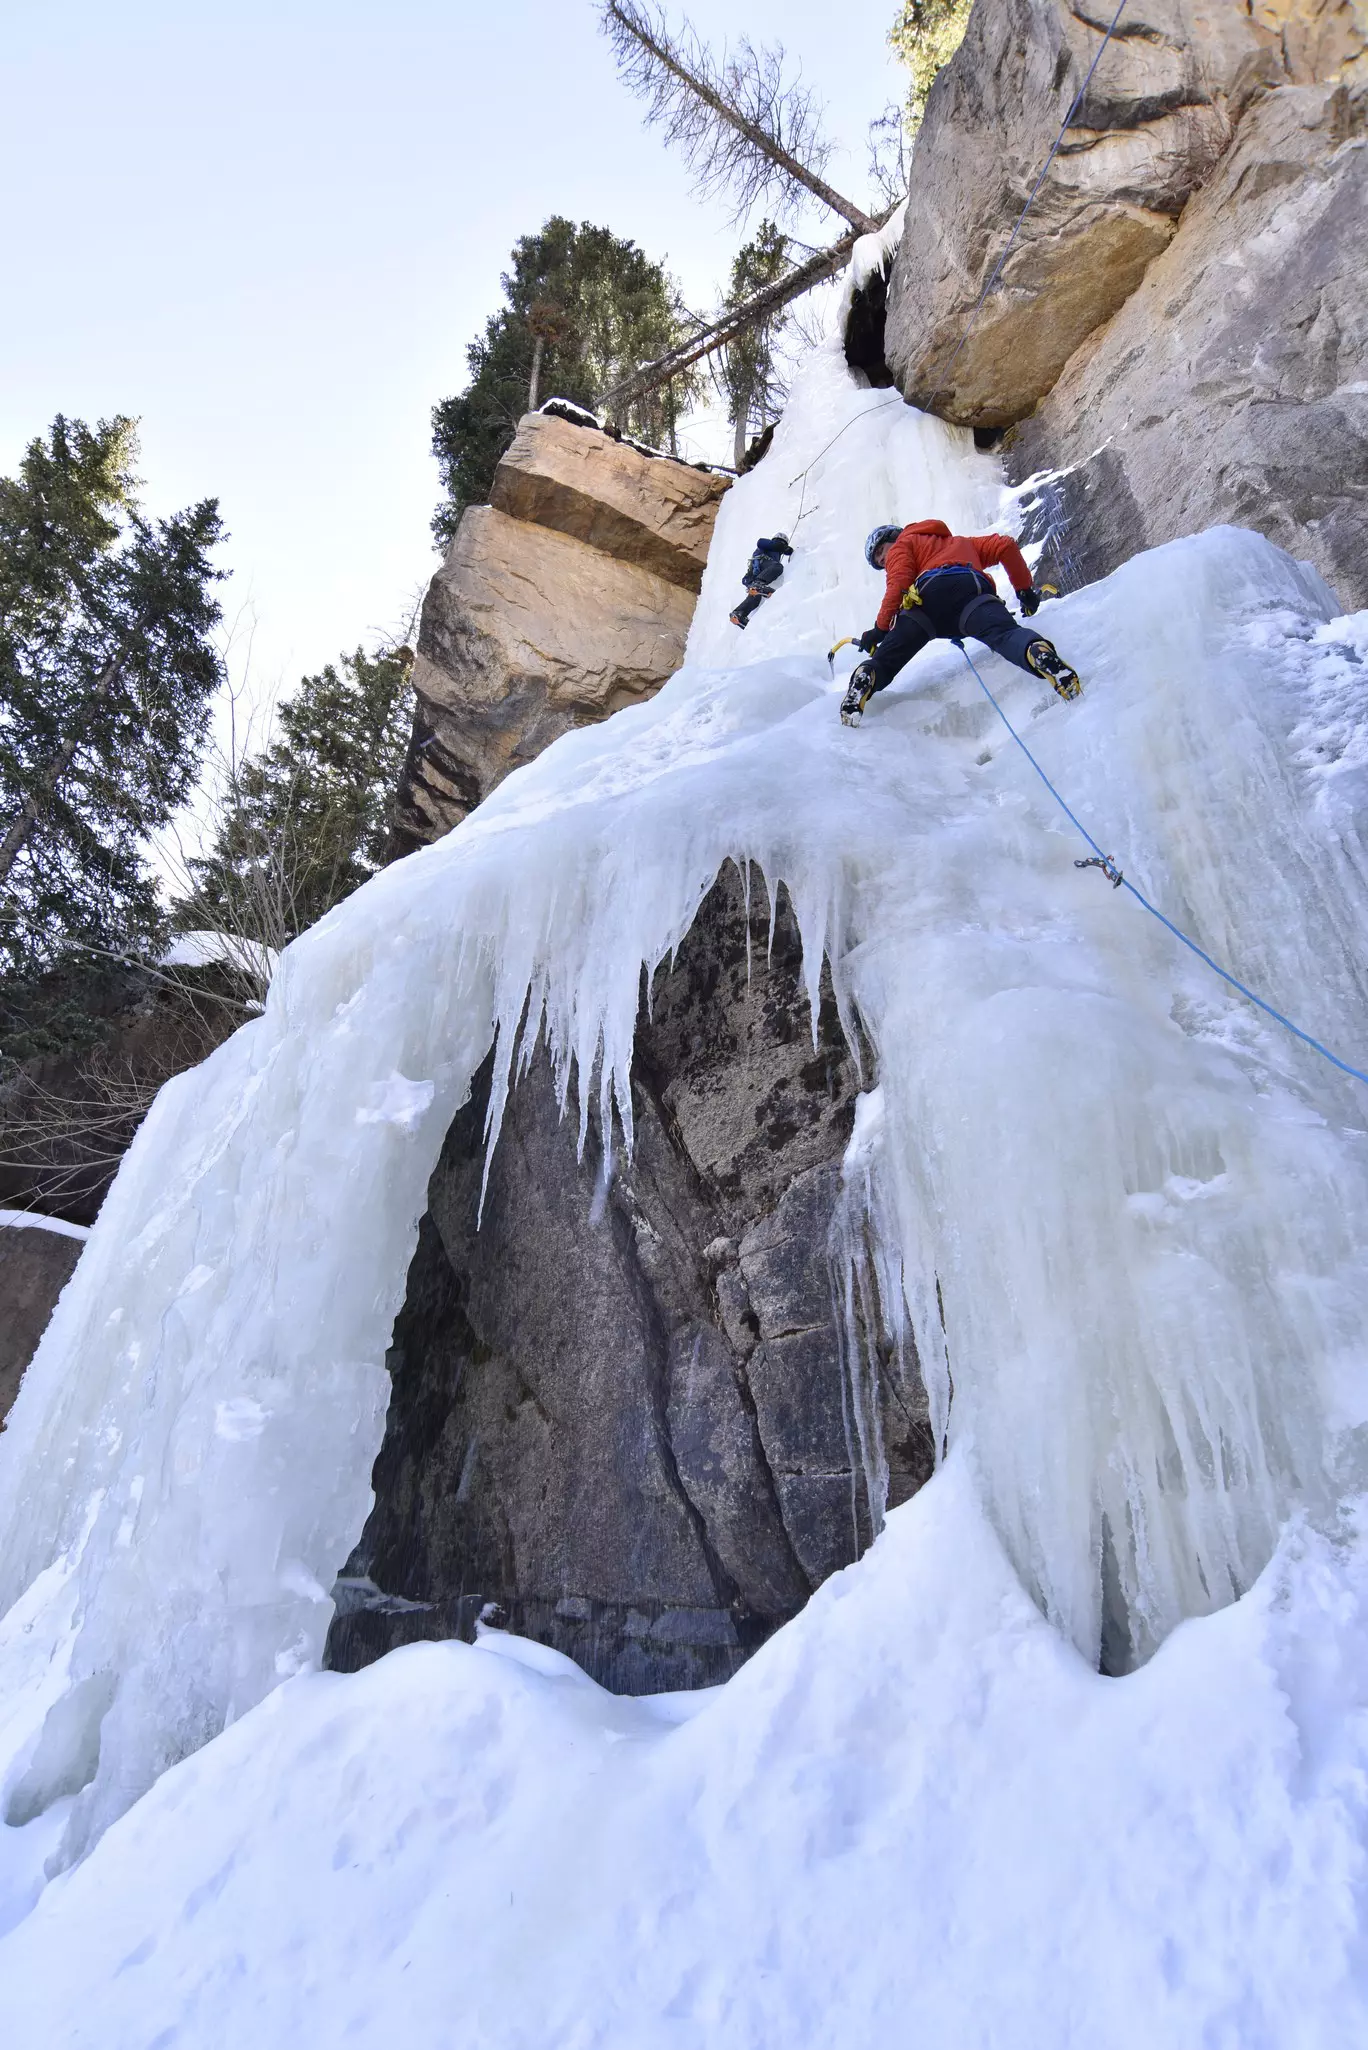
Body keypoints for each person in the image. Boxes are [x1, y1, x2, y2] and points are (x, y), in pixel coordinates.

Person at [839, 519, 1080, 726]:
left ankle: (866, 677)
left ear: (896, 536)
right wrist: (1024, 589)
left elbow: (898, 584)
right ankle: (1037, 653)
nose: (883, 559)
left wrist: (879, 630)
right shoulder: (962, 543)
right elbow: (1004, 545)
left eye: (882, 549)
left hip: (926, 603)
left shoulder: (904, 543)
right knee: (1005, 635)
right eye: (878, 559)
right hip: (971, 594)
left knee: (887, 657)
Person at [730, 533, 793, 629]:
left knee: (756, 596)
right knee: (778, 567)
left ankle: (739, 613)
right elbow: (760, 542)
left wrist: (787, 550)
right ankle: (759, 584)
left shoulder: (776, 551)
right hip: (762, 564)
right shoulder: (768, 545)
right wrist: (781, 546)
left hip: (752, 576)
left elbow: (787, 551)